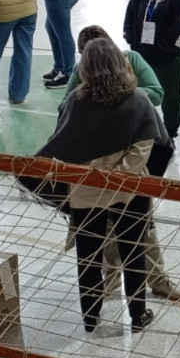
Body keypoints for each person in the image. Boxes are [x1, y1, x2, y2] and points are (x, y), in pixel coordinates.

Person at [36, 38, 160, 333]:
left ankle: (90, 319)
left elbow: (61, 145)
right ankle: (138, 315)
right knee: (133, 253)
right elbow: (144, 146)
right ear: (119, 63)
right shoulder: (138, 99)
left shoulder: (75, 102)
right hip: (129, 191)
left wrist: (94, 176)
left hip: (85, 191)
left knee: (88, 257)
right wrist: (117, 176)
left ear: (87, 68)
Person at [123, 0, 180, 139]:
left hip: (169, 59)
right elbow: (130, 16)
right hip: (142, 56)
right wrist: (132, 41)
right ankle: (142, 133)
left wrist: (159, 51)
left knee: (171, 99)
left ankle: (169, 135)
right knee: (140, 95)